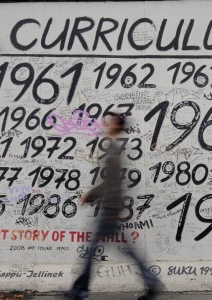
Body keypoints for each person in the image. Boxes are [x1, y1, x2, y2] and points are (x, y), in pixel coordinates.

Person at [65, 112, 161, 300]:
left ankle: (80, 290)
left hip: (109, 210)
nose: (105, 123)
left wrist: (93, 197)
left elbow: (113, 184)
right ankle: (152, 282)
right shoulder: (114, 148)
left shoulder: (112, 150)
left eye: (110, 121)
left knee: (92, 251)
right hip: (111, 210)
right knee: (128, 251)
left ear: (116, 126)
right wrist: (92, 196)